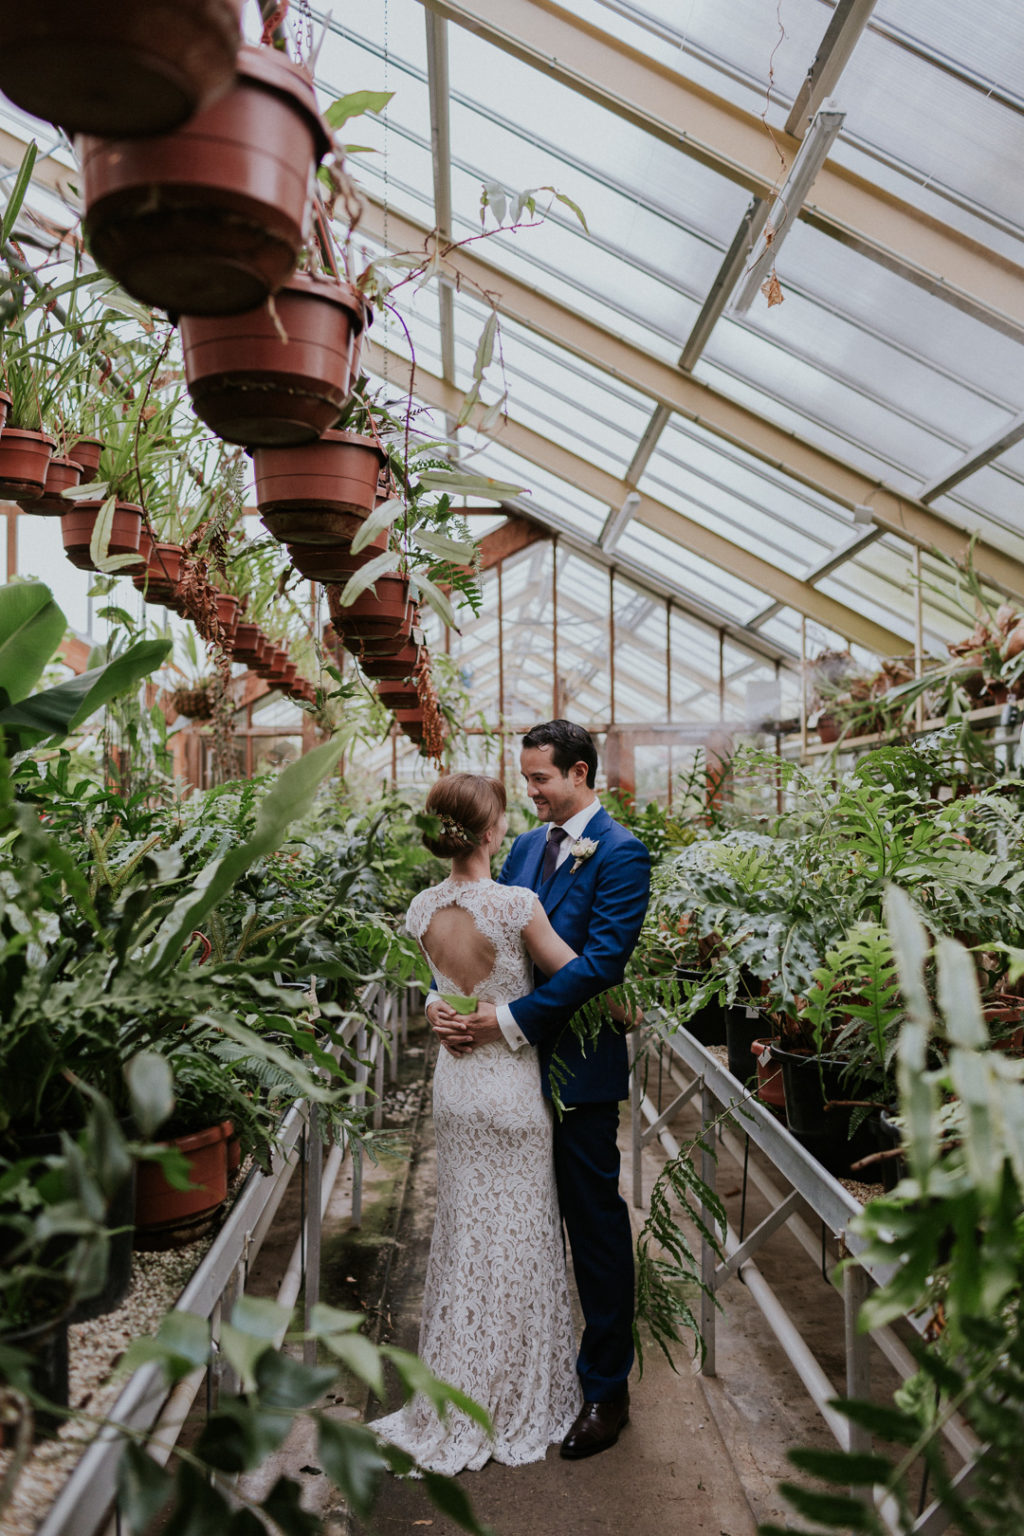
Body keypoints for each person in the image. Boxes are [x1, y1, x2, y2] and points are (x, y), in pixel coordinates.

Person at [429, 720, 651, 1461]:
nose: (530, 793)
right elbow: (479, 944)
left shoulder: (621, 854)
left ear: (580, 773)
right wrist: (445, 1006)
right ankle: (519, 1374)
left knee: (593, 1228)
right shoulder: (523, 848)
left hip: (576, 1072)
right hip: (503, 1081)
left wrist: (507, 1022)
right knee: (510, 1230)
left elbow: (601, 966)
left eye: (541, 780)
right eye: (523, 780)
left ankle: (604, 1390)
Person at [370, 771, 587, 1474]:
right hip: (510, 1088)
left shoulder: (422, 907)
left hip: (458, 1088)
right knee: (521, 1242)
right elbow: (572, 975)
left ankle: (458, 1393)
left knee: (465, 1239)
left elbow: (443, 991)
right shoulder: (516, 903)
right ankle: (516, 1393)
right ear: (492, 833)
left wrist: (440, 1009)